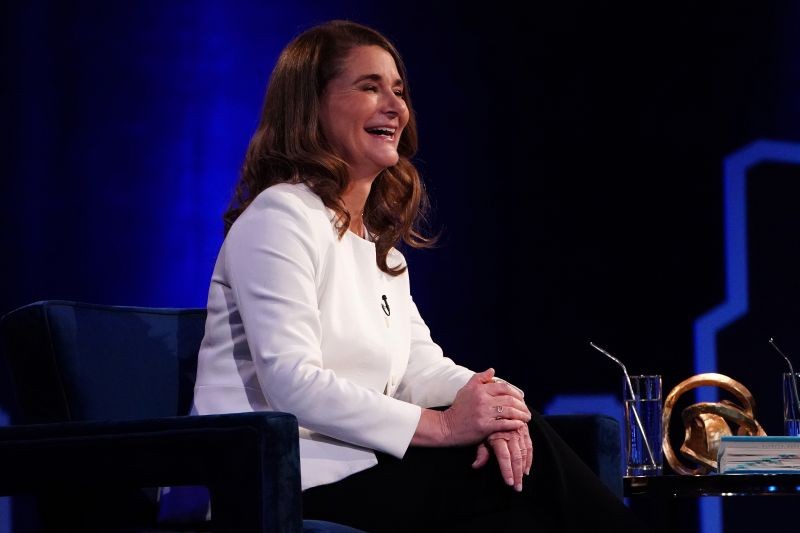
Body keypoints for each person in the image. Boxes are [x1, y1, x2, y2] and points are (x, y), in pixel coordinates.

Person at [191, 19, 652, 533]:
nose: (395, 106)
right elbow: (291, 382)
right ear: (312, 105)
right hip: (289, 482)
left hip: (365, 466)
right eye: (369, 87)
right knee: (522, 475)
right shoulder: (280, 217)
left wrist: (498, 405)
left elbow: (419, 367)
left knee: (518, 502)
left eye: (399, 91)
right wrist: (441, 425)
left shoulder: (376, 245)